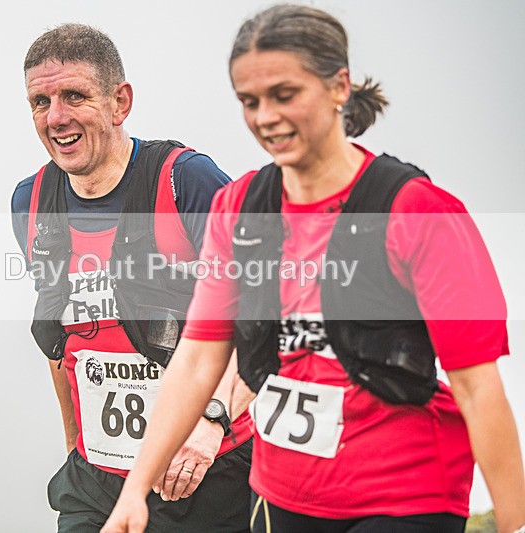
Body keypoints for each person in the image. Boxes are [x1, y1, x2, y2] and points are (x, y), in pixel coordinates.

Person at [102, 5, 525, 533]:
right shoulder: (238, 209)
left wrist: (513, 525)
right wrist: (135, 489)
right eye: (249, 102)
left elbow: (478, 388)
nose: (265, 117)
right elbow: (197, 359)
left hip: (402, 496)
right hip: (284, 495)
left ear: (339, 86)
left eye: (285, 95)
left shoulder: (418, 211)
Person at [10, 23, 254, 533]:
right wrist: (77, 448)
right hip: (96, 481)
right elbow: (62, 342)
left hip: (204, 471)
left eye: (74, 96)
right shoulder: (31, 203)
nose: (56, 118)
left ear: (120, 102)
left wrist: (211, 420)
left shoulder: (185, 181)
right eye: (40, 101)